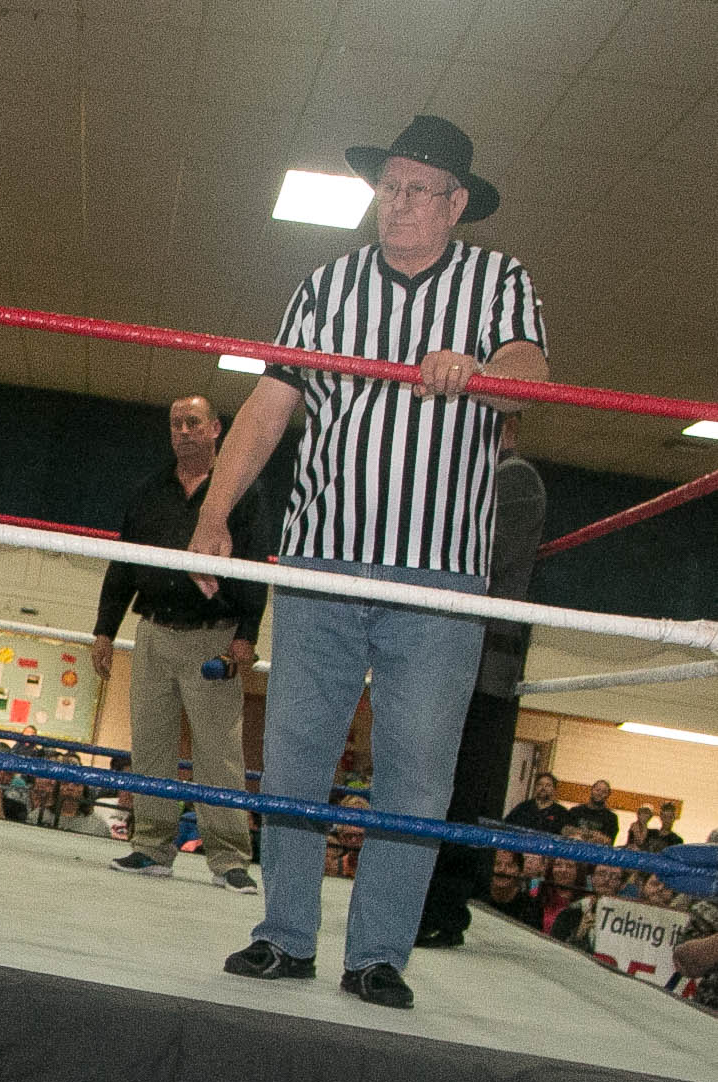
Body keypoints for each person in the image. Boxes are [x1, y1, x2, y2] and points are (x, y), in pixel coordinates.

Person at [194, 114, 549, 1011]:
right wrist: (212, 513)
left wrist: (478, 368)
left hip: (439, 576)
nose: (397, 203)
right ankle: (283, 935)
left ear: (456, 204)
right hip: (320, 558)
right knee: (294, 756)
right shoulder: (324, 285)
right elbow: (269, 405)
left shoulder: (498, 280)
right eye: (388, 186)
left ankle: (379, 955)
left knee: (416, 774)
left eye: (417, 189)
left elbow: (530, 373)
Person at [93, 394, 264, 894]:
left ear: (215, 428)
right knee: (150, 743)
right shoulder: (148, 491)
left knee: (219, 751)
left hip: (213, 636)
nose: (184, 431)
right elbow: (122, 563)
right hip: (152, 632)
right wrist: (104, 630)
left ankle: (229, 858)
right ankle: (151, 846)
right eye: (176, 424)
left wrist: (246, 637)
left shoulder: (240, 490)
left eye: (193, 422)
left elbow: (255, 566)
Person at [414, 415, 547, 947]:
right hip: (455, 654)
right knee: (434, 783)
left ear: (505, 429)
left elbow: (481, 562)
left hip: (484, 663)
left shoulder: (515, 478)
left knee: (464, 788)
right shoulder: (474, 478)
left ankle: (445, 911)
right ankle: (425, 904)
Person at [504, 771, 568, 835]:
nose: (543, 788)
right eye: (540, 784)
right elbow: (506, 825)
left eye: (548, 785)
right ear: (535, 787)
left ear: (554, 789)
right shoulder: (523, 807)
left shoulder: (561, 813)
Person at [564, 778, 620, 844]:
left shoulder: (611, 818)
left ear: (608, 795)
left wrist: (581, 834)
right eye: (597, 790)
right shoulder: (575, 811)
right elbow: (565, 831)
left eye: (604, 792)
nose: (599, 793)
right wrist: (593, 835)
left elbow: (608, 841)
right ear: (591, 790)